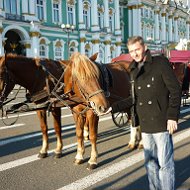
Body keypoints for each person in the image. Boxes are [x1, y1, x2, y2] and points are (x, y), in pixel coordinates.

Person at [111, 36, 181, 190]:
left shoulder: (160, 63)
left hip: (161, 122)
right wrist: (112, 107)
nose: (135, 54)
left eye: (137, 49)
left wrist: (172, 117)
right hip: (145, 125)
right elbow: (133, 98)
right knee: (150, 164)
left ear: (144, 47)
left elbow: (175, 90)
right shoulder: (133, 69)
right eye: (131, 51)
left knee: (165, 164)